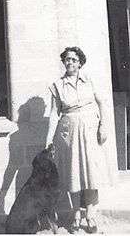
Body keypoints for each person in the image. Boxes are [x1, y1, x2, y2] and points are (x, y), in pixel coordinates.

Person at [45, 46, 108, 234]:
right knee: (73, 175)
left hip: (89, 130)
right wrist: (48, 139)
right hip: (68, 133)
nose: (70, 62)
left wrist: (103, 126)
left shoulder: (90, 80)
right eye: (67, 59)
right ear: (63, 62)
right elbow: (54, 114)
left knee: (91, 174)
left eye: (74, 59)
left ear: (80, 62)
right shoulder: (57, 85)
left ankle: (90, 216)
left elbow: (101, 102)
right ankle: (75, 216)